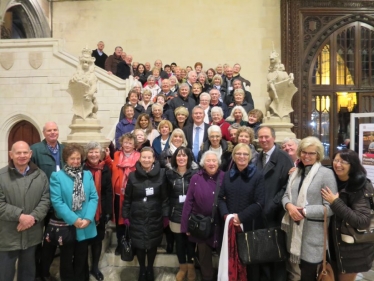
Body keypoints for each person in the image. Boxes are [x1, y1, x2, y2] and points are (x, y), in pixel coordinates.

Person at [281, 136, 337, 281]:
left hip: (313, 235)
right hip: (294, 232)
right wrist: (289, 206)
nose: (307, 156)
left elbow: (330, 207)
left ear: (318, 155)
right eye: (304, 152)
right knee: (295, 273)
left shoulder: (326, 174)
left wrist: (304, 211)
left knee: (309, 275)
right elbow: (286, 195)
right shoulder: (295, 173)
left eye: (311, 153)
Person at [0, 141, 50, 281]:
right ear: (11, 154)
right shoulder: (1, 176)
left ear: (30, 154)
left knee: (28, 274)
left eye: (25, 152)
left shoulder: (40, 176)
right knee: (5, 274)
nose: (22, 155)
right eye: (18, 152)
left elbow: (45, 200)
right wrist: (20, 216)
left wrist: (32, 218)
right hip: (8, 235)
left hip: (32, 233)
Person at [321, 149, 374, 281]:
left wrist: (335, 202)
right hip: (332, 244)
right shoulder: (330, 178)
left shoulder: (361, 185)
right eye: (336, 160)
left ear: (353, 165)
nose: (338, 164)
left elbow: (362, 220)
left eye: (343, 162)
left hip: (352, 249)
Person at [50, 143, 99, 281]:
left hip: (85, 224)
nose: (76, 161)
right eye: (72, 158)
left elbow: (94, 197)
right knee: (66, 260)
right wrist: (74, 220)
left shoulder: (87, 174)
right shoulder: (57, 176)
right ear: (66, 159)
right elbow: (57, 202)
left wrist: (88, 218)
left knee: (82, 259)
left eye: (78, 158)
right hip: (68, 225)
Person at [218, 143, 265, 281]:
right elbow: (220, 198)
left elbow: (260, 202)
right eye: (238, 154)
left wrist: (241, 217)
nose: (241, 157)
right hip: (230, 224)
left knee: (248, 262)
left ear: (249, 157)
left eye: (245, 154)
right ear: (234, 156)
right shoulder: (227, 175)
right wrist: (226, 215)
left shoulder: (257, 175)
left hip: (249, 224)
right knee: (231, 259)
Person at [122, 147, 169, 281]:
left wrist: (165, 215)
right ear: (140, 158)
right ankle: (142, 269)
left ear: (153, 159)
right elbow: (127, 198)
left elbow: (164, 197)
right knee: (140, 245)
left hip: (155, 215)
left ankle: (150, 268)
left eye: (149, 157)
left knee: (152, 244)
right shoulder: (132, 175)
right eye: (144, 157)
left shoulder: (161, 174)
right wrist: (125, 215)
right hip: (137, 216)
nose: (146, 160)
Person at [256, 126, 294, 281]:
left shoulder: (283, 157)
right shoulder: (258, 157)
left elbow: (288, 185)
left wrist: (273, 203)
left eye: (266, 137)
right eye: (261, 137)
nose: (264, 140)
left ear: (273, 137)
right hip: (260, 212)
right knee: (263, 252)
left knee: (276, 252)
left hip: (275, 213)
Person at [181, 151, 225, 281]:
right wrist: (185, 227)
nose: (211, 163)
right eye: (208, 161)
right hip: (202, 225)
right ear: (203, 164)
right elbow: (188, 202)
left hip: (220, 224)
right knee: (204, 258)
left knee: (224, 257)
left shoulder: (224, 176)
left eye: (214, 161)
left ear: (218, 163)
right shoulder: (196, 178)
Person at [31, 121, 65, 281]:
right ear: (44, 133)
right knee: (37, 240)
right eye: (49, 130)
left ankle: (45, 271)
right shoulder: (36, 150)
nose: (53, 133)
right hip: (41, 203)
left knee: (51, 240)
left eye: (55, 130)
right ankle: (36, 272)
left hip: (58, 204)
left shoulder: (64, 149)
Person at [166, 147, 199, 281]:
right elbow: (166, 195)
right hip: (175, 214)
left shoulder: (196, 174)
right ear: (175, 158)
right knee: (179, 243)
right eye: (178, 156)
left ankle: (191, 268)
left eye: (184, 156)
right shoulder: (169, 174)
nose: (181, 158)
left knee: (190, 243)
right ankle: (182, 267)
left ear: (188, 158)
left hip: (192, 214)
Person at [104, 133, 140, 255]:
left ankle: (132, 244)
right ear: (121, 143)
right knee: (120, 222)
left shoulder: (139, 157)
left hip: (133, 196)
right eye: (125, 142)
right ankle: (120, 244)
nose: (128, 145)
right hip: (118, 195)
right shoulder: (117, 155)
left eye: (130, 143)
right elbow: (112, 167)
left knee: (132, 220)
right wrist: (108, 157)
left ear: (134, 144)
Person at [83, 142, 113, 281]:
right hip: (83, 211)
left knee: (97, 240)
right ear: (86, 154)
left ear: (101, 153)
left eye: (96, 152)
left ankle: (95, 267)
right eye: (91, 152)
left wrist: (107, 212)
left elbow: (108, 191)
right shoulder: (81, 168)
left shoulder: (105, 168)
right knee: (83, 241)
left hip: (99, 211)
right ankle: (83, 268)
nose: (94, 155)